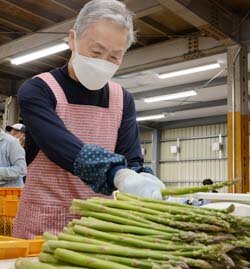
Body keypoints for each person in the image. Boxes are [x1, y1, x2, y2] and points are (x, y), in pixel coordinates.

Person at [13, 0, 165, 239]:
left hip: (99, 230)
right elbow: (60, 146)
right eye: (96, 52)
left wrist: (139, 175)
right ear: (72, 39)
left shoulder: (122, 99)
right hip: (41, 229)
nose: (103, 63)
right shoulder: (37, 90)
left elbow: (131, 158)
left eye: (115, 57)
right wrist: (118, 173)